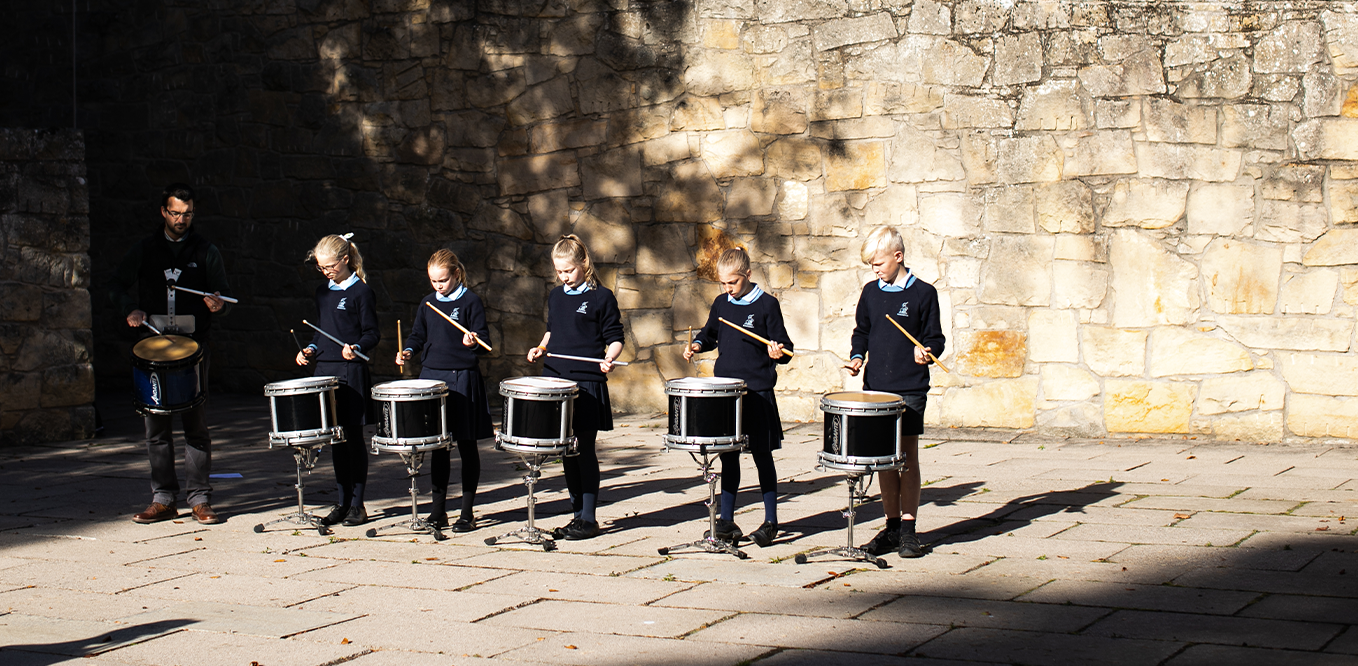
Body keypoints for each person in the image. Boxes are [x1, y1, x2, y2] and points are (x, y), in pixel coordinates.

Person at [111, 183, 232, 525]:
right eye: (176, 213)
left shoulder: (206, 251)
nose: (182, 219)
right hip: (154, 348)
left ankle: (200, 499)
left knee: (196, 425)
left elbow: (225, 296)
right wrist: (130, 308)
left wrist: (218, 304)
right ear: (164, 212)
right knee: (156, 425)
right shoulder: (146, 249)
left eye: (188, 213)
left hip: (194, 349)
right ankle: (163, 497)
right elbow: (116, 285)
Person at [847, 226, 946, 558]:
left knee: (906, 459)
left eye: (878, 264)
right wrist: (857, 357)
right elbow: (861, 332)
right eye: (872, 266)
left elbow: (936, 338)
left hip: (910, 389)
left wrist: (927, 350)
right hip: (877, 389)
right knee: (884, 461)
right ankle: (890, 527)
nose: (875, 270)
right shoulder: (871, 293)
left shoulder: (923, 294)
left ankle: (908, 529)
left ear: (898, 256)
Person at [683, 248, 793, 548]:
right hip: (727, 392)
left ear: (748, 275)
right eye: (722, 283)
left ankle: (771, 521)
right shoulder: (721, 303)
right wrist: (696, 344)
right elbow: (710, 333)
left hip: (757, 391)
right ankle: (727, 519)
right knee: (728, 457)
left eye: (732, 283)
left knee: (762, 456)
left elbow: (784, 347)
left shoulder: (767, 305)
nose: (726, 289)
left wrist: (777, 352)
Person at [526, 235, 624, 540]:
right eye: (558, 271)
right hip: (556, 379)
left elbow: (616, 337)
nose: (562, 276)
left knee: (584, 450)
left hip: (586, 381)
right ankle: (575, 514)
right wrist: (540, 348)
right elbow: (552, 331)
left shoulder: (602, 297)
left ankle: (590, 517)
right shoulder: (556, 296)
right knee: (565, 451)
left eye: (568, 270)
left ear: (584, 264)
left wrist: (609, 358)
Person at [396, 249, 493, 532]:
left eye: (443, 280)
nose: (438, 286)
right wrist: (408, 351)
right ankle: (438, 511)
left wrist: (471, 341)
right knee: (437, 446)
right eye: (433, 281)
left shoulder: (471, 301)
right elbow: (417, 335)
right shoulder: (427, 303)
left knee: (466, 444)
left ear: (456, 274)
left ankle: (467, 512)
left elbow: (483, 340)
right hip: (432, 379)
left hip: (462, 377)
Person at [296, 234, 380, 527]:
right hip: (325, 372)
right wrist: (310, 349)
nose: (326, 272)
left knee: (353, 439)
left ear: (345, 259)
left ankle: (358, 504)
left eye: (330, 266)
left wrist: (357, 347)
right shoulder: (322, 293)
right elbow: (321, 333)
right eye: (321, 267)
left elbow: (372, 333)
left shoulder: (362, 293)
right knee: (335, 440)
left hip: (351, 372)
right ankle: (342, 502)